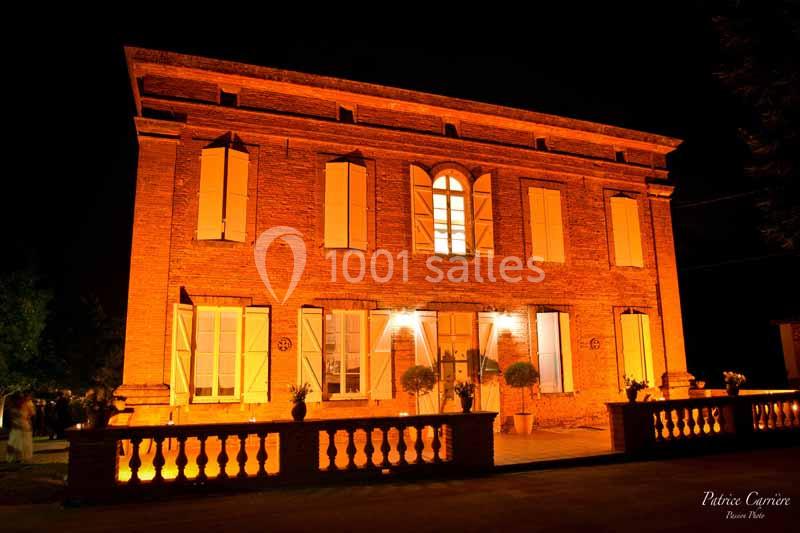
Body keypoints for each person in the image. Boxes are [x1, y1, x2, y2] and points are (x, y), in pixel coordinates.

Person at [5, 393, 35, 463]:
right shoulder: (12, 407)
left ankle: (22, 458)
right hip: (17, 427)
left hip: (24, 426)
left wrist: (28, 421)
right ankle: (16, 458)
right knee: (15, 442)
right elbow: (10, 418)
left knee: (23, 443)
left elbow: (30, 415)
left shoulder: (26, 405)